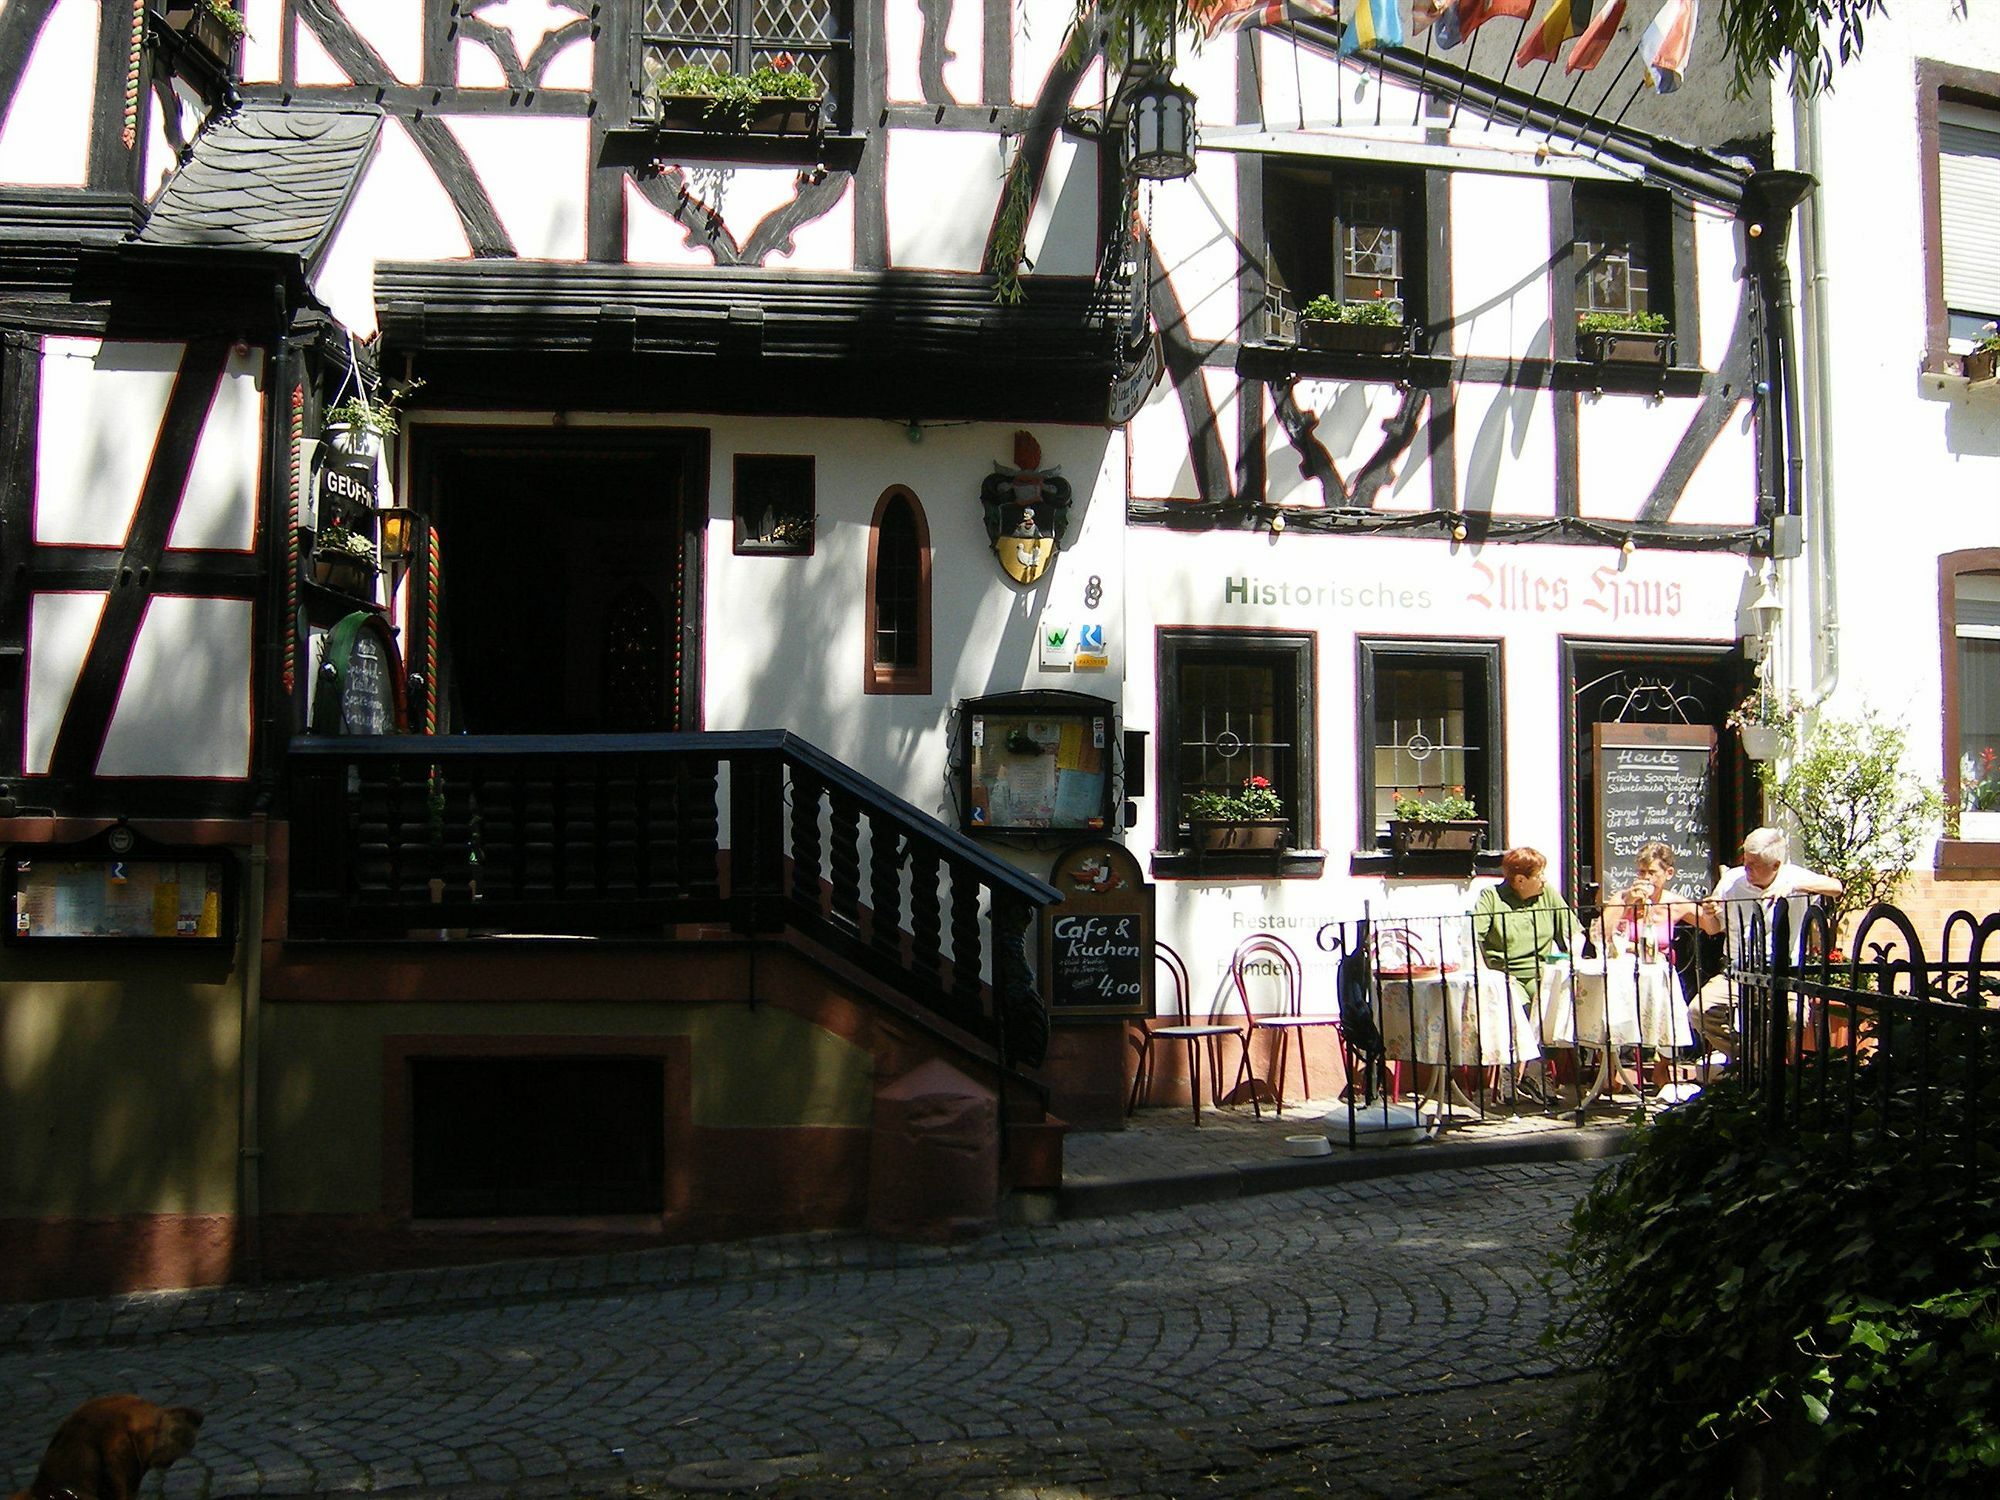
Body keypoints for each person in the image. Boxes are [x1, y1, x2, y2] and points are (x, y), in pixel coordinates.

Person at [1692, 827, 1843, 1063]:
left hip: (1783, 971)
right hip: (1737, 970)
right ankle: (1751, 1060)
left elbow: (1836, 887)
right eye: (1746, 861)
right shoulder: (1732, 880)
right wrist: (1709, 913)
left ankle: (1775, 1070)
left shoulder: (1791, 876)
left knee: (1794, 1016)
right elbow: (1712, 928)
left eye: (1754, 864)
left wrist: (1797, 887)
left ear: (1776, 865)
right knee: (1699, 1012)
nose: (1747, 868)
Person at [1473, 847, 1573, 1102]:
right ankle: (1520, 1071)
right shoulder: (1492, 898)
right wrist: (1482, 970)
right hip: (1506, 974)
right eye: (1539, 875)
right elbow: (1473, 936)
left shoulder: (1547, 895)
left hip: (1543, 972)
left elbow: (1572, 931)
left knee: (1556, 1006)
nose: (1544, 880)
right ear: (1519, 880)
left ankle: (1530, 1072)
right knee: (1521, 1007)